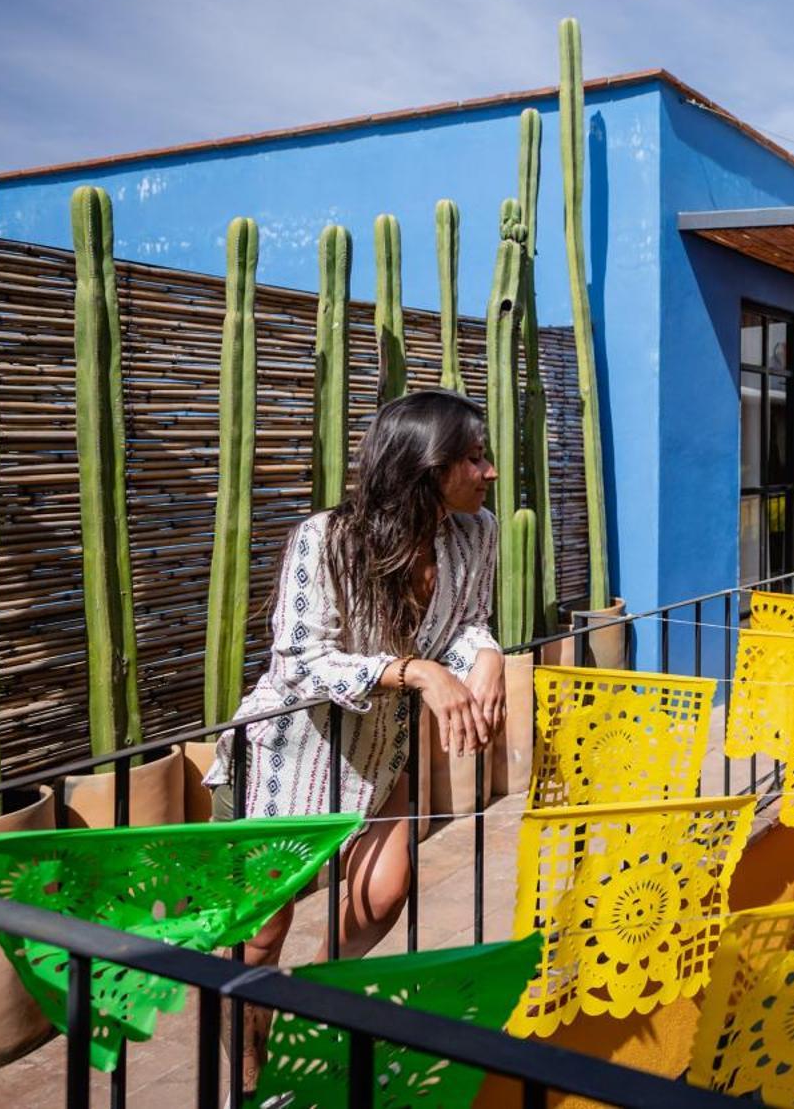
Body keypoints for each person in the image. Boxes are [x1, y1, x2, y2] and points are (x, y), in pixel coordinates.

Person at [204, 387, 504, 1076]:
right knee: (260, 934)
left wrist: (484, 655)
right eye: (474, 458)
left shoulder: (475, 532)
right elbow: (303, 660)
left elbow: (466, 621)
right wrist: (418, 674)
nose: (487, 473)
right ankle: (250, 1075)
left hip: (375, 755)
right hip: (286, 760)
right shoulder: (326, 539)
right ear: (429, 467)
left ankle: (308, 999)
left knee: (382, 894)